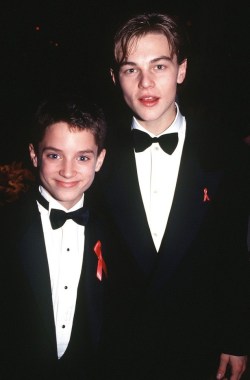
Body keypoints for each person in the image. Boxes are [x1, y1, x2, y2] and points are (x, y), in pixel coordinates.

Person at [92, 12, 250, 380]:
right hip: (120, 352)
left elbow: (235, 254)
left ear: (181, 70)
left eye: (159, 65)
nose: (146, 82)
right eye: (131, 69)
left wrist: (237, 336)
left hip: (201, 348)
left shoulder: (227, 153)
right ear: (116, 78)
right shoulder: (96, 156)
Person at [0, 95, 108, 379]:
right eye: (54, 155)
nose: (68, 171)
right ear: (35, 155)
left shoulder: (114, 231)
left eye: (83, 157)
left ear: (100, 160)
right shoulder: (8, 227)